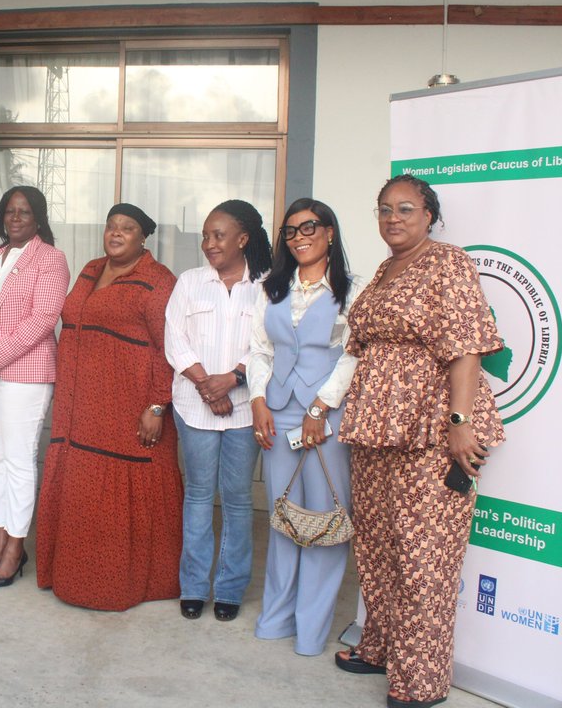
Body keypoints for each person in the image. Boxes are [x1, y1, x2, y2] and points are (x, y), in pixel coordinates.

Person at [335, 175, 504, 708]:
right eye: (384, 209)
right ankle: (382, 648)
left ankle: (422, 682)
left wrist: (459, 421)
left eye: (406, 208)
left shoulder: (447, 262)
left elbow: (466, 350)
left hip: (430, 428)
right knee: (379, 545)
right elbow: (360, 343)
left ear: (429, 214)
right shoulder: (386, 269)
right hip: (377, 428)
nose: (393, 218)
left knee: (424, 555)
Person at [35, 203, 182, 610]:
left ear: (143, 237)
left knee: (123, 489)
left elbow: (167, 349)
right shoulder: (89, 269)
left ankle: (124, 584)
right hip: (80, 405)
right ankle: (71, 577)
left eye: (127, 228)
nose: (116, 234)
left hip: (128, 406)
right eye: (111, 226)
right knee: (81, 488)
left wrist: (157, 405)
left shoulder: (157, 280)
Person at [249, 198, 362, 655]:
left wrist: (321, 407)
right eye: (291, 231)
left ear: (330, 232)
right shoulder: (271, 287)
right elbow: (260, 349)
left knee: (324, 519)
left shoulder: (353, 290)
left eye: (309, 227)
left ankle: (311, 630)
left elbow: (355, 354)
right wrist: (258, 400)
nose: (300, 237)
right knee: (283, 517)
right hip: (277, 411)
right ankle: (275, 619)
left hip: (327, 416)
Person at [164, 199, 272, 621]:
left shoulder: (265, 286)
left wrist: (233, 378)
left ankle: (229, 588)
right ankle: (193, 586)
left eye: (219, 235)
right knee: (198, 496)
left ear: (243, 239)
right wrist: (209, 387)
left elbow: (267, 344)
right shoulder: (189, 282)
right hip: (193, 405)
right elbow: (175, 339)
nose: (209, 243)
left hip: (245, 408)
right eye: (206, 236)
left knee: (239, 499)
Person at [0, 185, 70, 588]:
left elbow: (43, 319)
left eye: (24, 212)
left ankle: (16, 546)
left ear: (38, 218)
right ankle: (1, 538)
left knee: (20, 460)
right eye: (9, 211)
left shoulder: (51, 259)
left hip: (24, 372)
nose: (15, 218)